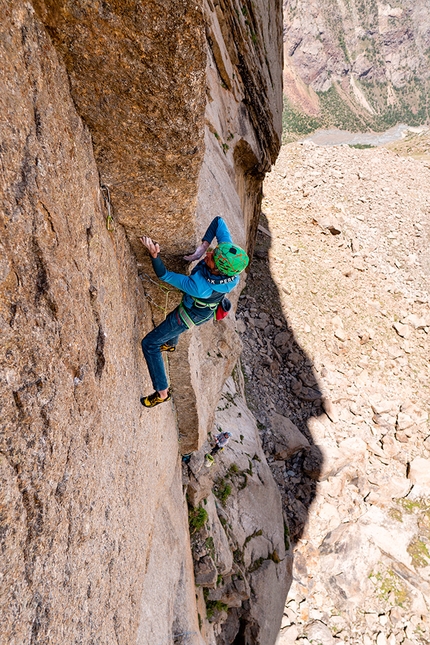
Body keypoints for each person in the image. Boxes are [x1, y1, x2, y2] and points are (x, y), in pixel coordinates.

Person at [139, 216, 249, 408]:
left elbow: (164, 275)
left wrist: (154, 255)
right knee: (170, 326)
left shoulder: (201, 287)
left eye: (212, 259)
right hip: (200, 309)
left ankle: (162, 392)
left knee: (149, 343)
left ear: (219, 271)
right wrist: (202, 248)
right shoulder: (229, 260)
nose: (210, 254)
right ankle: (171, 344)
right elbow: (219, 221)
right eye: (212, 251)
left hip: (190, 315)